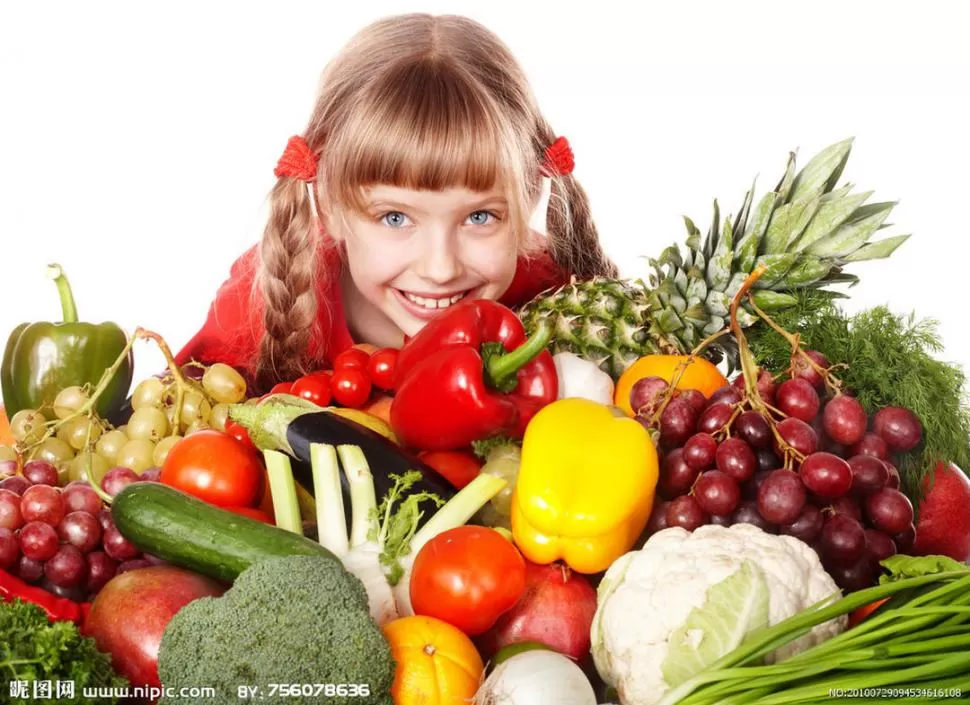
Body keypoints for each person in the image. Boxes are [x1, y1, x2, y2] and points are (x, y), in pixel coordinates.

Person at [175, 13, 618, 394]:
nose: (440, 269)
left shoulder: (556, 296)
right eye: (395, 217)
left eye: (480, 217)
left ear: (530, 199)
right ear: (329, 207)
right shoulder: (264, 296)